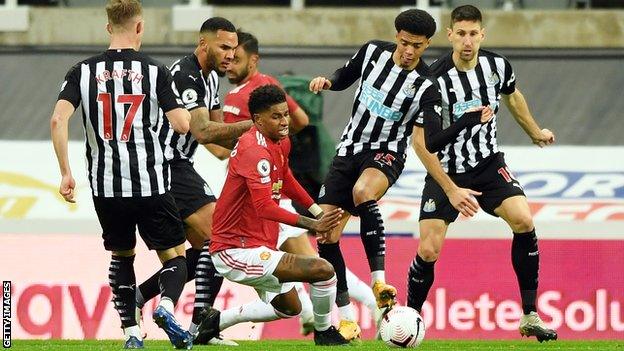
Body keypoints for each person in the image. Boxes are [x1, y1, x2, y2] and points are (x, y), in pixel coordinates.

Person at [307, 9, 479, 340]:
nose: (409, 51)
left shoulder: (428, 87)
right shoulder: (372, 51)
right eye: (404, 43)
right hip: (347, 152)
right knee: (325, 234)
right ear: (396, 35)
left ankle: (378, 282)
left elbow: (431, 140)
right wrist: (328, 81)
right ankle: (345, 317)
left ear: (428, 43)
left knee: (363, 192)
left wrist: (465, 121)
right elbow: (345, 75)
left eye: (417, 45)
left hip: (386, 154)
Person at [406, 5, 558, 343]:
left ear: (482, 34)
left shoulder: (497, 66)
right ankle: (408, 319)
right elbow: (421, 144)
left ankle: (530, 315)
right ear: (450, 35)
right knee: (429, 249)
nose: (467, 41)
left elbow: (513, 96)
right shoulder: (432, 80)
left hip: (488, 165)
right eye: (461, 34)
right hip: (446, 170)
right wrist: (450, 190)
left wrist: (533, 131)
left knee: (523, 219)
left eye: (473, 33)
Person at [50, 1, 193, 349]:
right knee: (177, 257)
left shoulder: (81, 71)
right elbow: (182, 123)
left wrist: (66, 172)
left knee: (122, 256)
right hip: (150, 182)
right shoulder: (154, 71)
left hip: (105, 186)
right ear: (140, 28)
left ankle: (131, 335)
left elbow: (58, 120)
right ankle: (168, 309)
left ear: (108, 28)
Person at [223, 30, 380, 337]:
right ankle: (317, 313)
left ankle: (332, 311)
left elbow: (301, 121)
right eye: (226, 57)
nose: (229, 63)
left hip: (264, 198)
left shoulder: (263, 89)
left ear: (253, 60)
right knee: (302, 266)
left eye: (235, 57)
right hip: (255, 196)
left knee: (311, 264)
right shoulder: (243, 93)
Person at [192, 84, 349, 346]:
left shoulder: (280, 141)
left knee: (289, 307)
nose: (285, 121)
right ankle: (324, 333)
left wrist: (318, 210)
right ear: (257, 120)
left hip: (259, 243)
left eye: (285, 114)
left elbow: (286, 179)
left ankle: (216, 321)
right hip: (234, 250)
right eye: (276, 116)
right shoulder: (253, 150)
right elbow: (265, 207)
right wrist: (313, 224)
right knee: (323, 270)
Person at [133, 17, 251, 346]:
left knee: (197, 255)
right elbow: (201, 131)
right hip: (165, 164)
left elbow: (216, 141)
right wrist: (252, 127)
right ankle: (202, 323)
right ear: (203, 44)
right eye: (223, 47)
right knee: (219, 237)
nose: (230, 54)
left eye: (233, 48)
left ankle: (137, 298)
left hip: (178, 165)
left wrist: (263, 147)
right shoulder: (185, 74)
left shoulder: (210, 78)